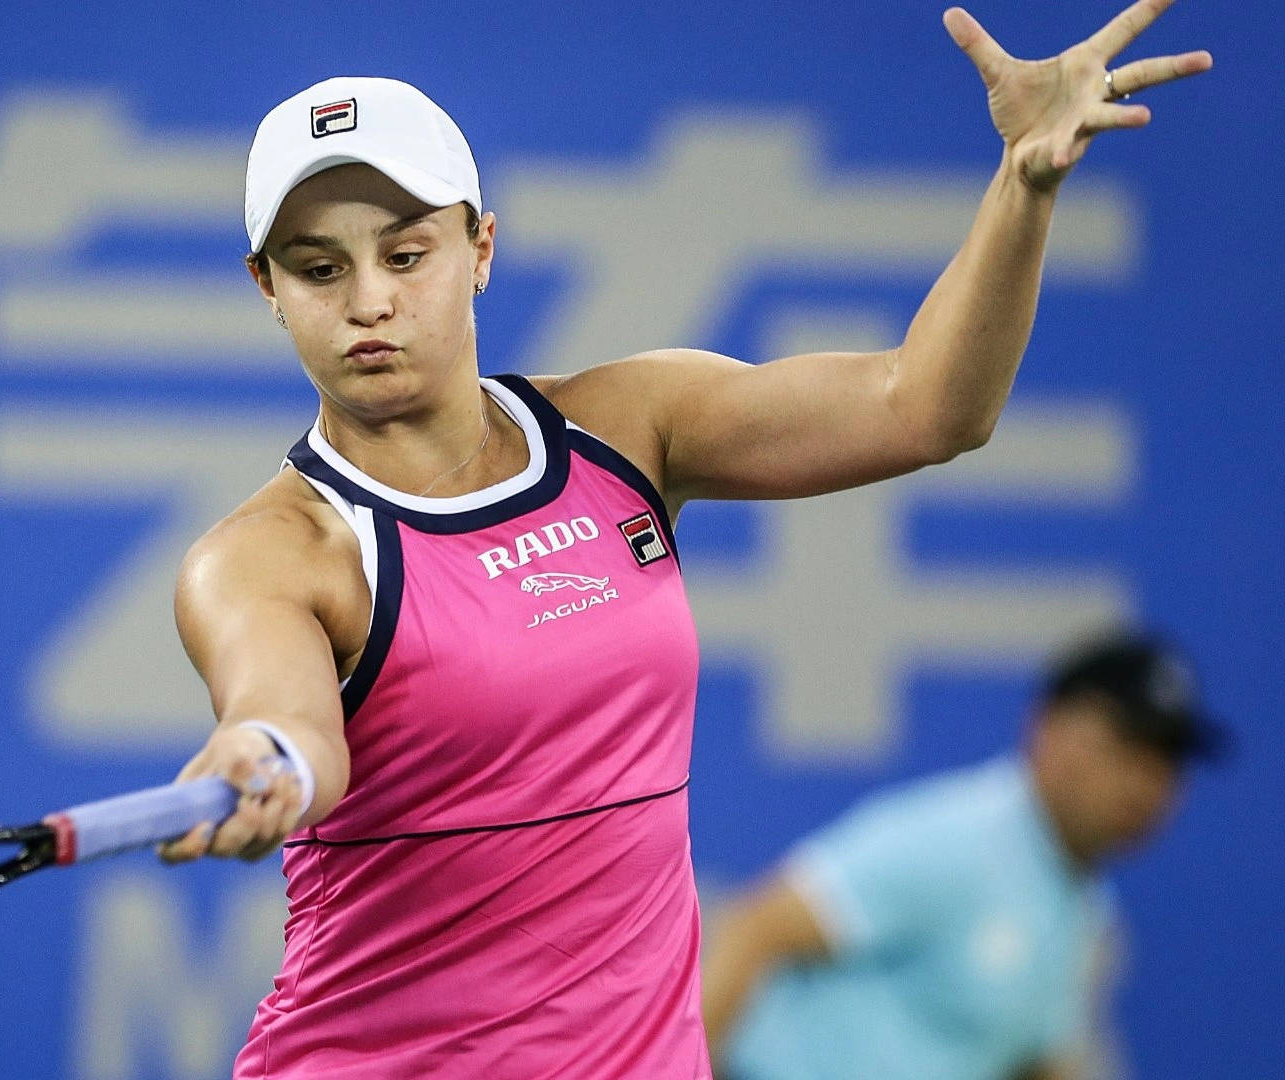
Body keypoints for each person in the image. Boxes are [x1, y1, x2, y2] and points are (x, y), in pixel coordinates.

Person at [155, 4, 1211, 1076]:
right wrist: (269, 756)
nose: (370, 301)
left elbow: (928, 405)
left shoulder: (631, 428)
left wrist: (1023, 185)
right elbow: (286, 721)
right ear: (269, 290)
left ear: (480, 247)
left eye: (406, 251)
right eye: (319, 268)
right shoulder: (268, 554)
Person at [702, 632, 1225, 1080]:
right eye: (1126, 747)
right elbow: (758, 926)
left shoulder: (1085, 912)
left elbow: (1037, 1059)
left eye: (1167, 763)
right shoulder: (959, 840)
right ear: (1048, 729)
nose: (1146, 785)